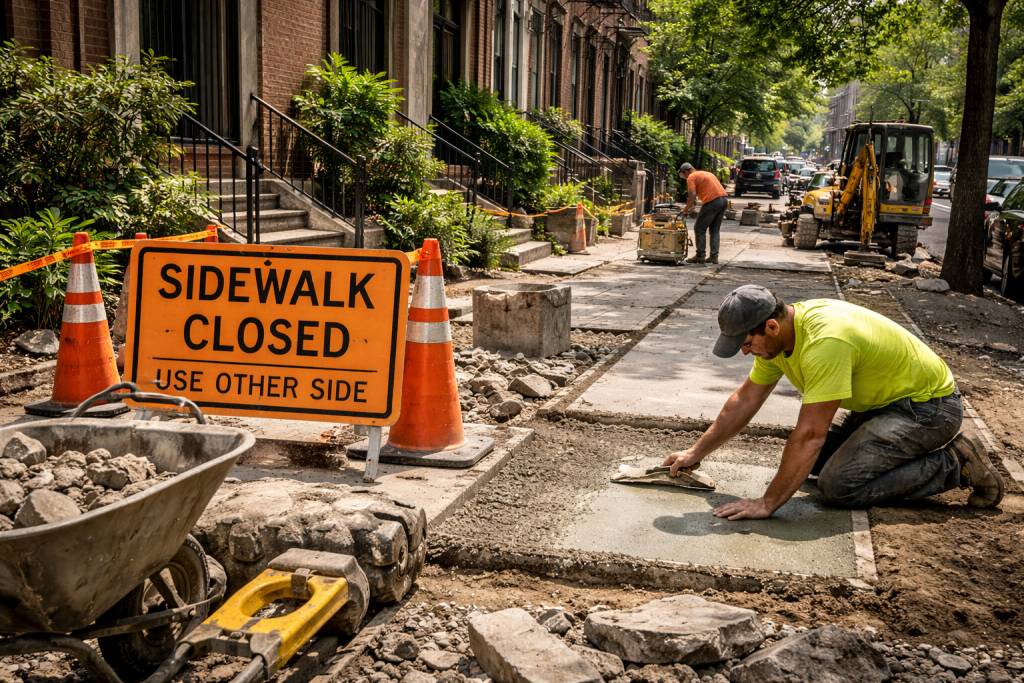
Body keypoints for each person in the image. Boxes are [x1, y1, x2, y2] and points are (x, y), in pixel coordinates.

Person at [662, 285, 1004, 520]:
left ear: (770, 326)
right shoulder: (778, 340)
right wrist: (697, 452)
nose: (744, 351)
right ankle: (918, 456)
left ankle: (956, 463)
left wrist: (768, 503)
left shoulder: (825, 341)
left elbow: (811, 434)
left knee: (838, 485)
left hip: (928, 409)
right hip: (882, 408)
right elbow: (745, 399)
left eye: (747, 342)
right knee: (812, 463)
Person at [678, 162, 727, 265]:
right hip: (724, 200)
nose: (684, 176)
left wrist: (686, 209)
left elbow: (692, 196)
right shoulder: (706, 173)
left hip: (713, 202)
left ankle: (700, 256)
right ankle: (714, 256)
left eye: (683, 174)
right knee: (714, 229)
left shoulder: (691, 177)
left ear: (686, 171)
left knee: (699, 228)